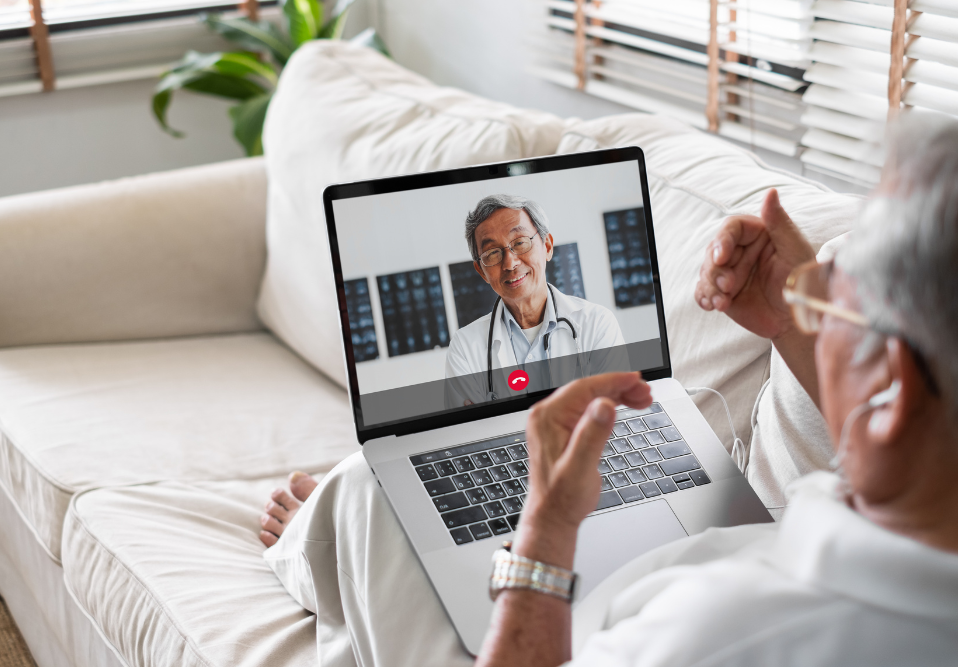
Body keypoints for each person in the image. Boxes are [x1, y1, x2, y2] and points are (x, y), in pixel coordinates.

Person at [260, 116, 958, 666]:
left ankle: (313, 548)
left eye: (830, 301)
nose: (510, 263)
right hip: (698, 546)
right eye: (491, 254)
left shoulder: (720, 637)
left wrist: (545, 532)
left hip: (579, 611)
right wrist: (796, 325)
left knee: (363, 493)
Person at [444, 194, 626, 403]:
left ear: (547, 246)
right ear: (481, 271)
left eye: (520, 242)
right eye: (492, 253)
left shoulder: (597, 323)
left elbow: (613, 416)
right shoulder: (464, 348)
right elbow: (468, 433)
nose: (510, 263)